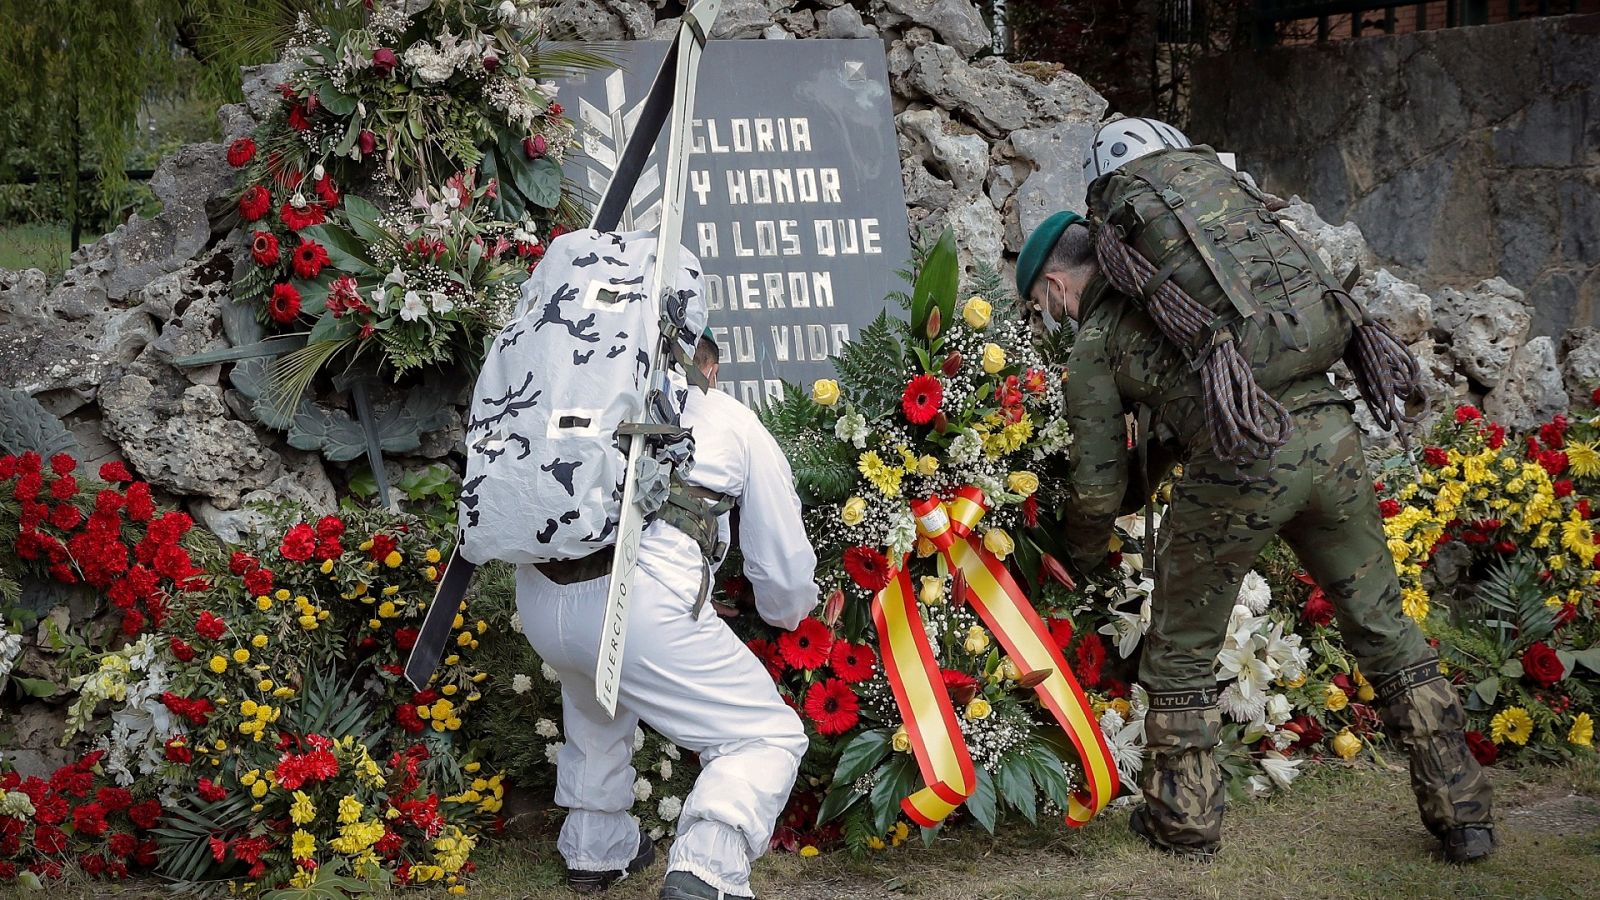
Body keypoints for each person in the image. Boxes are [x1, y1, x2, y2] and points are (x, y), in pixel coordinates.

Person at [1015, 208, 1495, 863]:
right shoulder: (1191, 288)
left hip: (1241, 463)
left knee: (1181, 647)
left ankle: (1182, 822)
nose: (1050, 312)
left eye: (1042, 302)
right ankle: (1464, 814)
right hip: (1332, 439)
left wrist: (1078, 553)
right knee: (1383, 624)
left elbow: (1098, 489)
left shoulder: (1100, 335)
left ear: (1055, 284)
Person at [515, 328, 818, 899]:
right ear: (707, 364)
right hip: (639, 592)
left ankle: (596, 848)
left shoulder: (588, 395)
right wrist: (787, 613)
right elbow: (782, 566)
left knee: (597, 702)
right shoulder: (726, 414)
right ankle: (707, 869)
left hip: (540, 594)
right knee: (765, 734)